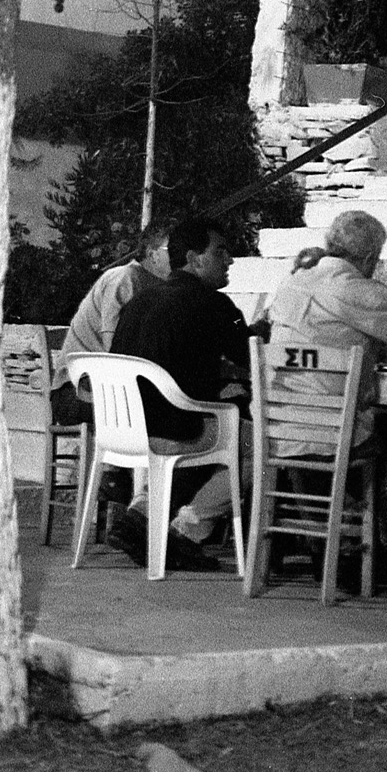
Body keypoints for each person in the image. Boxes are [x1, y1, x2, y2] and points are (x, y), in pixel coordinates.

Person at [106, 215, 250, 571]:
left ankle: (140, 516)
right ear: (193, 258)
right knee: (267, 443)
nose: (229, 260)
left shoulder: (139, 301)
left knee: (214, 427)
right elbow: (252, 360)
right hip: (177, 431)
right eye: (220, 252)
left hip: (124, 431)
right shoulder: (214, 305)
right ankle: (188, 531)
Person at [269, 211, 387, 454]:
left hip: (278, 427)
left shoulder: (291, 283)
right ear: (369, 258)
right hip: (333, 432)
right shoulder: (357, 290)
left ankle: (335, 489)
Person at [50, 221, 171, 427]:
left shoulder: (163, 288)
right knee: (164, 415)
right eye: (174, 250)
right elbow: (114, 351)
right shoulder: (125, 279)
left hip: (108, 388)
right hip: (76, 393)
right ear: (152, 255)